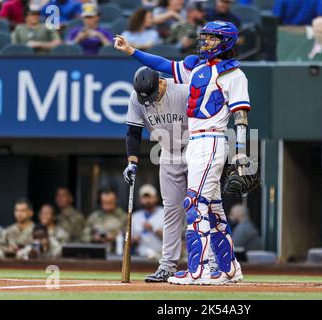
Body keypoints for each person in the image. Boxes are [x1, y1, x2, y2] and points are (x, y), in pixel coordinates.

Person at [115, 20, 249, 285]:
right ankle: (228, 267)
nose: (205, 42)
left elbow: (241, 116)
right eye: (206, 37)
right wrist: (132, 51)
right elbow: (164, 65)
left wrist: (242, 152)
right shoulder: (197, 67)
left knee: (193, 204)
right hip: (193, 145)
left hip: (209, 138)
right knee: (213, 207)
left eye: (211, 38)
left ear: (225, 42)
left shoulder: (235, 75)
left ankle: (199, 270)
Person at [121, 65, 189, 282]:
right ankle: (167, 266)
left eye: (151, 95)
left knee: (201, 206)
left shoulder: (183, 90)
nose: (149, 101)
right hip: (167, 152)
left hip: (194, 148)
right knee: (171, 210)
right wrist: (132, 162)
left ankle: (208, 263)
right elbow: (133, 132)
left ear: (161, 82)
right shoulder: (136, 98)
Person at [131, 185, 165, 260]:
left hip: (161, 256)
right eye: (144, 197)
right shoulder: (135, 216)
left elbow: (171, 239)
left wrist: (153, 229)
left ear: (156, 198)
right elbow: (129, 242)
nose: (147, 200)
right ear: (140, 199)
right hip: (140, 257)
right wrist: (134, 240)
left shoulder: (165, 213)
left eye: (150, 197)